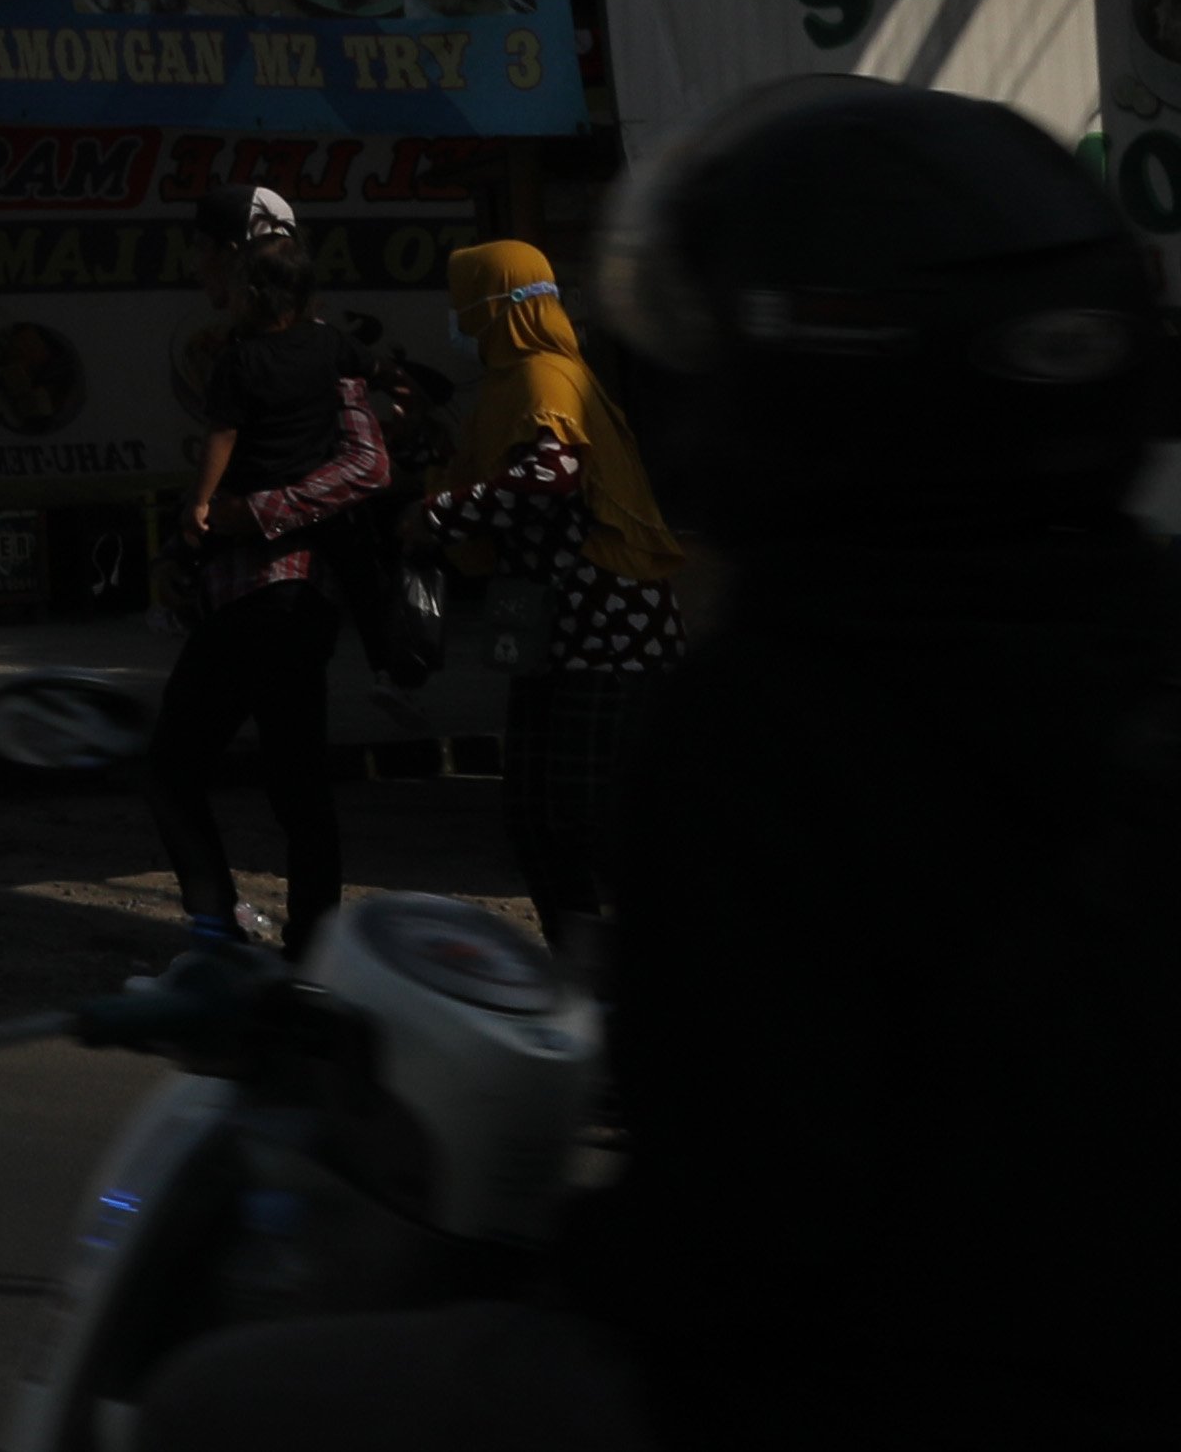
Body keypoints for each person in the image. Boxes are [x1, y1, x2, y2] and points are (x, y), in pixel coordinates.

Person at [142, 74, 1181, 1451]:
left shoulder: (776, 712)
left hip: (877, 1377)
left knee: (219, 1403)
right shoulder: (1146, 635)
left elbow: (744, 1222)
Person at [405, 237, 681, 956]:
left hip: (608, 629)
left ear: (495, 307)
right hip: (545, 626)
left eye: (465, 301)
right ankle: (580, 969)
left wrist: (440, 514)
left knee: (579, 815)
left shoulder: (546, 376)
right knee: (529, 814)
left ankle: (654, 966)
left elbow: (550, 474)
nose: (457, 318)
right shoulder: (502, 389)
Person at [146, 183, 383, 951]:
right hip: (275, 600)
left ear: (238, 262)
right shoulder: (288, 353)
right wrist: (188, 550)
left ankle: (222, 934)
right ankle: (311, 952)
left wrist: (256, 513)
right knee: (296, 787)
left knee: (174, 770)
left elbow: (366, 464)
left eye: (203, 251)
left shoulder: (284, 356)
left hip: (272, 596)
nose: (195, 267)